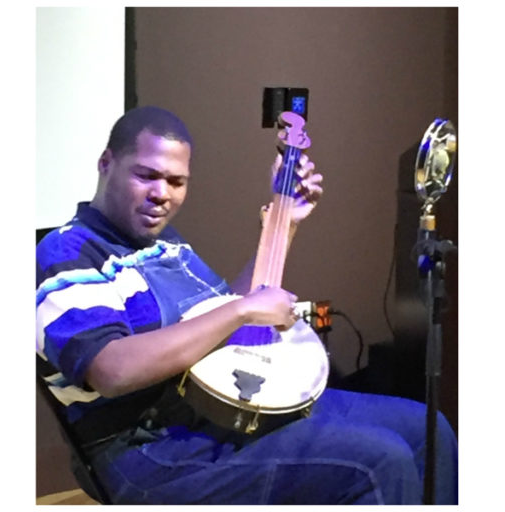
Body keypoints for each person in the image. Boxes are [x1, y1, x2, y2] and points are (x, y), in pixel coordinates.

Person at [34, 106, 457, 504]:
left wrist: (282, 224)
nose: (161, 194)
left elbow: (226, 309)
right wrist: (242, 312)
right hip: (146, 449)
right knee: (378, 462)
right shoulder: (67, 252)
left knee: (429, 430)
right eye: (146, 175)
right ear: (106, 163)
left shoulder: (164, 244)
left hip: (214, 415)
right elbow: (113, 369)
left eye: (176, 182)